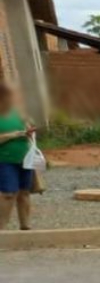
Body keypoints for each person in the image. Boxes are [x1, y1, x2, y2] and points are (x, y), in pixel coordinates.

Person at [0, 84, 32, 230]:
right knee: (8, 194)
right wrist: (13, 135)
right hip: (5, 159)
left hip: (25, 157)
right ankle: (2, 228)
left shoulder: (17, 112)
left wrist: (29, 129)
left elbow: (27, 126)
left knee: (24, 192)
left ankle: (25, 226)